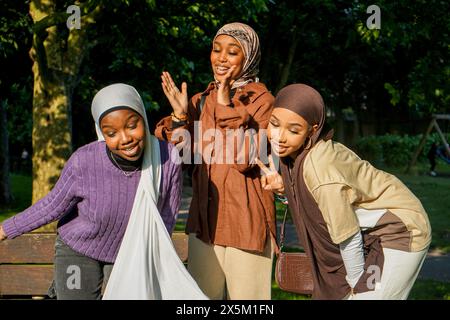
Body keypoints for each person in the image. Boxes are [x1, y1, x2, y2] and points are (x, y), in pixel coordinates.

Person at [0, 83, 206, 300]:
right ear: (101, 132)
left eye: (131, 125)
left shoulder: (166, 159)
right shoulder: (84, 161)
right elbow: (51, 205)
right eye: (111, 133)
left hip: (131, 253)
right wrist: (4, 230)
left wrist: (148, 256)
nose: (125, 138)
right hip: (78, 249)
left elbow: (166, 217)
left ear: (143, 119)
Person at [258, 83, 432, 300]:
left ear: (313, 130)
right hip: (373, 232)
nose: (279, 137)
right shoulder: (298, 156)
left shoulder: (320, 170)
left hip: (401, 231)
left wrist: (355, 284)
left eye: (293, 130)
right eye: (274, 124)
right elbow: (315, 202)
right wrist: (285, 188)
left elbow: (347, 236)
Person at [155, 22, 276, 299]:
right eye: (216, 49)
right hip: (204, 223)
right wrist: (179, 118)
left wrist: (226, 107)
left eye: (232, 52)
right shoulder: (200, 101)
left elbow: (246, 159)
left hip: (245, 222)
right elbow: (183, 159)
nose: (221, 58)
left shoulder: (262, 101)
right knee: (199, 300)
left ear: (248, 58)